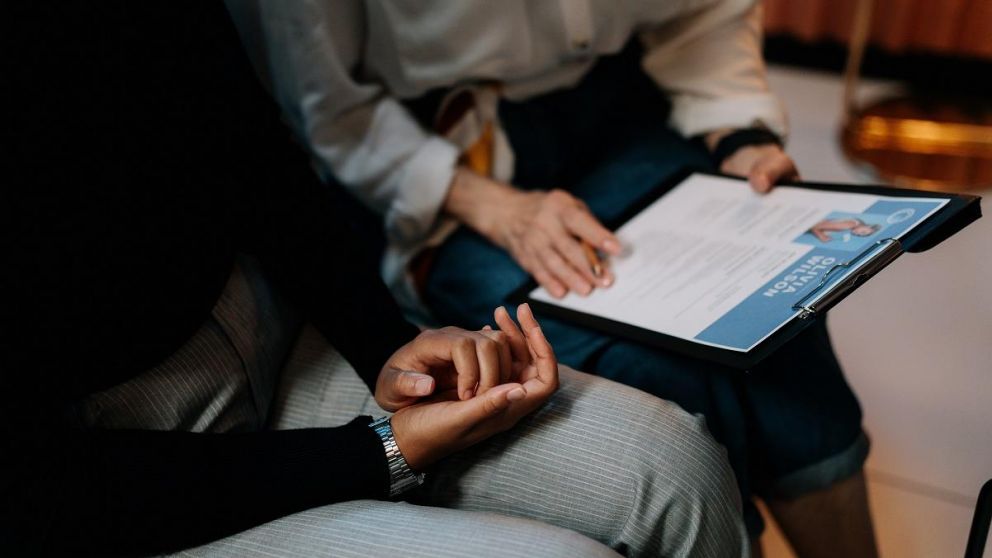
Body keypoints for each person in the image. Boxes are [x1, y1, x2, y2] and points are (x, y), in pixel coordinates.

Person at [1, 3, 747, 557]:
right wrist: (382, 453)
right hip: (121, 476)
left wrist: (388, 343)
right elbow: (46, 494)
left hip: (281, 327)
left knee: (680, 464)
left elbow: (255, 147)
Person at [226, 0, 879, 555]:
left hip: (614, 104)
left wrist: (741, 134)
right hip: (435, 154)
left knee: (776, 324)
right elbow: (329, 106)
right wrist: (498, 209)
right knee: (654, 371)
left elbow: (704, 13)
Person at [809, 218, 883, 242]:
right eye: (863, 232)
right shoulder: (849, 224)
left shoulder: (851, 225)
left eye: (861, 235)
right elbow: (814, 226)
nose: (859, 234)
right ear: (867, 225)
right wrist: (822, 236)